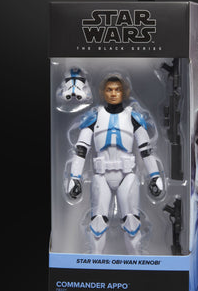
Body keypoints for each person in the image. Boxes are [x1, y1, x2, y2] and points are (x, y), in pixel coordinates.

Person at [67, 74, 163, 254]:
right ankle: (94, 262)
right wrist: (74, 177)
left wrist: (155, 176)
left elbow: (146, 150)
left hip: (127, 176)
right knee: (97, 224)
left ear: (123, 92)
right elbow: (81, 150)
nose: (113, 93)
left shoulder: (133, 117)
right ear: (103, 92)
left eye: (117, 90)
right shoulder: (94, 117)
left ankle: (136, 262)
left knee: (132, 222)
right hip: (101, 177)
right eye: (109, 90)